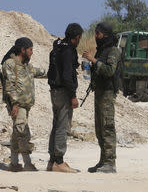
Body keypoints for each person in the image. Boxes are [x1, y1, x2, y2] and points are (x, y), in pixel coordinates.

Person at [1, 37, 46, 172]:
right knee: (23, 130)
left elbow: (41, 72)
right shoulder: (10, 64)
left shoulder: (27, 66)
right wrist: (14, 104)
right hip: (17, 105)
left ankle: (14, 163)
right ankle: (27, 163)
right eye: (30, 49)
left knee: (17, 131)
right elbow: (9, 86)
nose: (32, 52)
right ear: (23, 50)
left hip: (26, 106)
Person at [82, 22, 121, 174]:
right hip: (99, 92)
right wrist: (88, 66)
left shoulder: (114, 51)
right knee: (99, 129)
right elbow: (98, 69)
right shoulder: (102, 51)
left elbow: (110, 71)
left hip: (107, 93)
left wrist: (93, 60)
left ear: (105, 35)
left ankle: (110, 163)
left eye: (97, 34)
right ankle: (103, 160)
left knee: (107, 127)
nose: (95, 37)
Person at [47, 23, 83, 173]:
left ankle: (52, 161)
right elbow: (67, 76)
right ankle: (59, 162)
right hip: (63, 92)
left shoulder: (58, 46)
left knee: (56, 125)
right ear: (76, 37)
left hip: (54, 90)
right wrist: (73, 96)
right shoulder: (68, 50)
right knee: (63, 126)